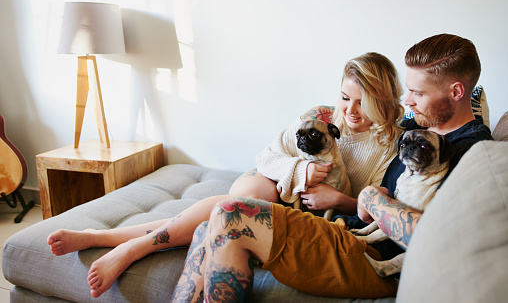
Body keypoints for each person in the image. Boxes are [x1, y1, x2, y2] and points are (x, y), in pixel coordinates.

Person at [47, 52, 404, 298]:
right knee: (242, 203)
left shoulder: (393, 144)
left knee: (216, 218)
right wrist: (301, 169)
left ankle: (103, 237)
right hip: (274, 183)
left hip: (319, 208)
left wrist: (340, 199)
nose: (350, 111)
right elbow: (267, 156)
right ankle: (131, 248)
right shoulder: (323, 116)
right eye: (345, 98)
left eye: (363, 102)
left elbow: (377, 207)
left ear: (383, 99)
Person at [171, 34, 493, 302]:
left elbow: (433, 237)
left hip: (375, 257)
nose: (406, 101)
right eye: (408, 90)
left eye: (418, 93)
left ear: (456, 92)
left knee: (232, 215)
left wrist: (372, 199)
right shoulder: (417, 125)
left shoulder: (474, 152)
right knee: (206, 229)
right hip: (346, 229)